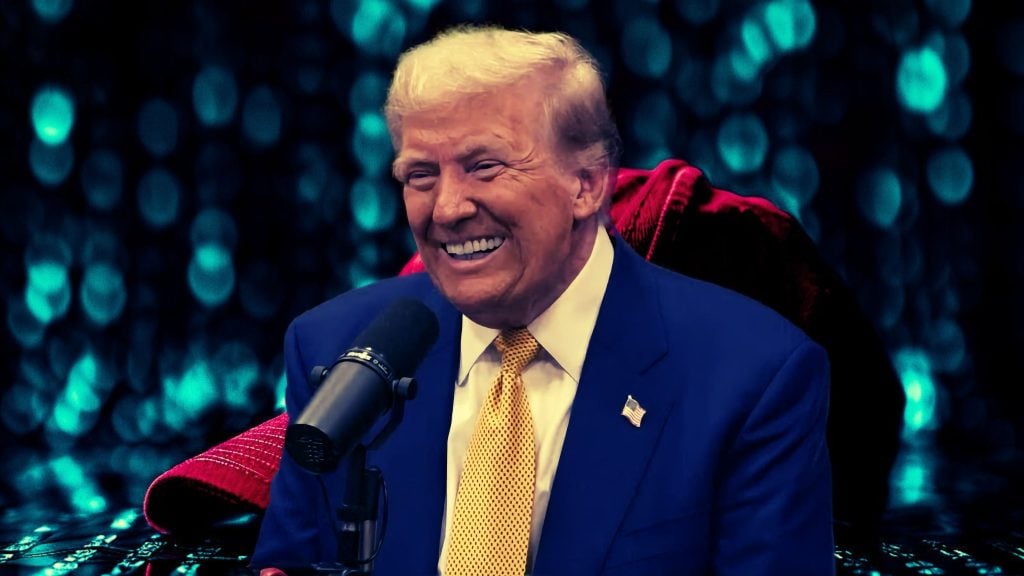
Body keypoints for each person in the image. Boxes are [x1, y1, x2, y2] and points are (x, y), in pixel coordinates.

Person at [252, 25, 835, 575]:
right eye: (421, 176)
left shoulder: (754, 376)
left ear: (586, 182)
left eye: (485, 167)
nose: (449, 208)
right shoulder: (333, 346)